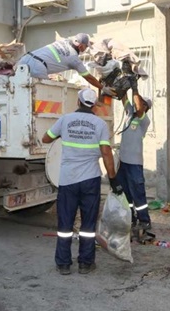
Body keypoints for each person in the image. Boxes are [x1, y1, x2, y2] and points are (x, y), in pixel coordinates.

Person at [42, 88, 119, 275]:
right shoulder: (100, 124)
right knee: (88, 224)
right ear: (93, 104)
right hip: (90, 180)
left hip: (68, 180)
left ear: (78, 102)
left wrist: (64, 133)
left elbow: (45, 138)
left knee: (65, 224)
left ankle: (63, 264)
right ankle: (85, 263)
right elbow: (107, 152)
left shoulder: (65, 120)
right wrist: (113, 179)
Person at [116, 79, 152, 231]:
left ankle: (144, 220)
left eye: (142, 103)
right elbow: (123, 98)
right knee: (125, 193)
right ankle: (130, 217)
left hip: (135, 164)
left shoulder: (144, 120)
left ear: (145, 107)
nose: (138, 103)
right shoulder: (129, 114)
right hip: (123, 162)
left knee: (138, 193)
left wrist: (135, 89)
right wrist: (124, 83)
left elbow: (137, 105)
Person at [18, 33, 103, 90]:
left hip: (24, 59)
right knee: (44, 92)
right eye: (86, 46)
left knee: (18, 88)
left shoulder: (64, 41)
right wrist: (102, 88)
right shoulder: (74, 59)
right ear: (80, 46)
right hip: (37, 67)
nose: (86, 48)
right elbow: (88, 77)